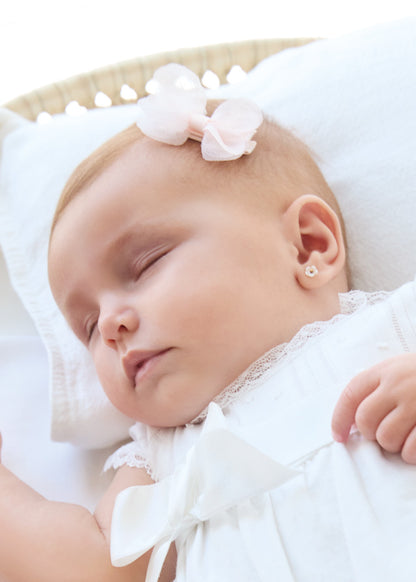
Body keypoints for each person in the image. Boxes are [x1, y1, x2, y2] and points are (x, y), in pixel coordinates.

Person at [1, 63, 416, 582]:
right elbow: (91, 570)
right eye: (86, 327)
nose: (109, 325)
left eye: (144, 264)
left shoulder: (395, 329)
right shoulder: (161, 457)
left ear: (308, 244)